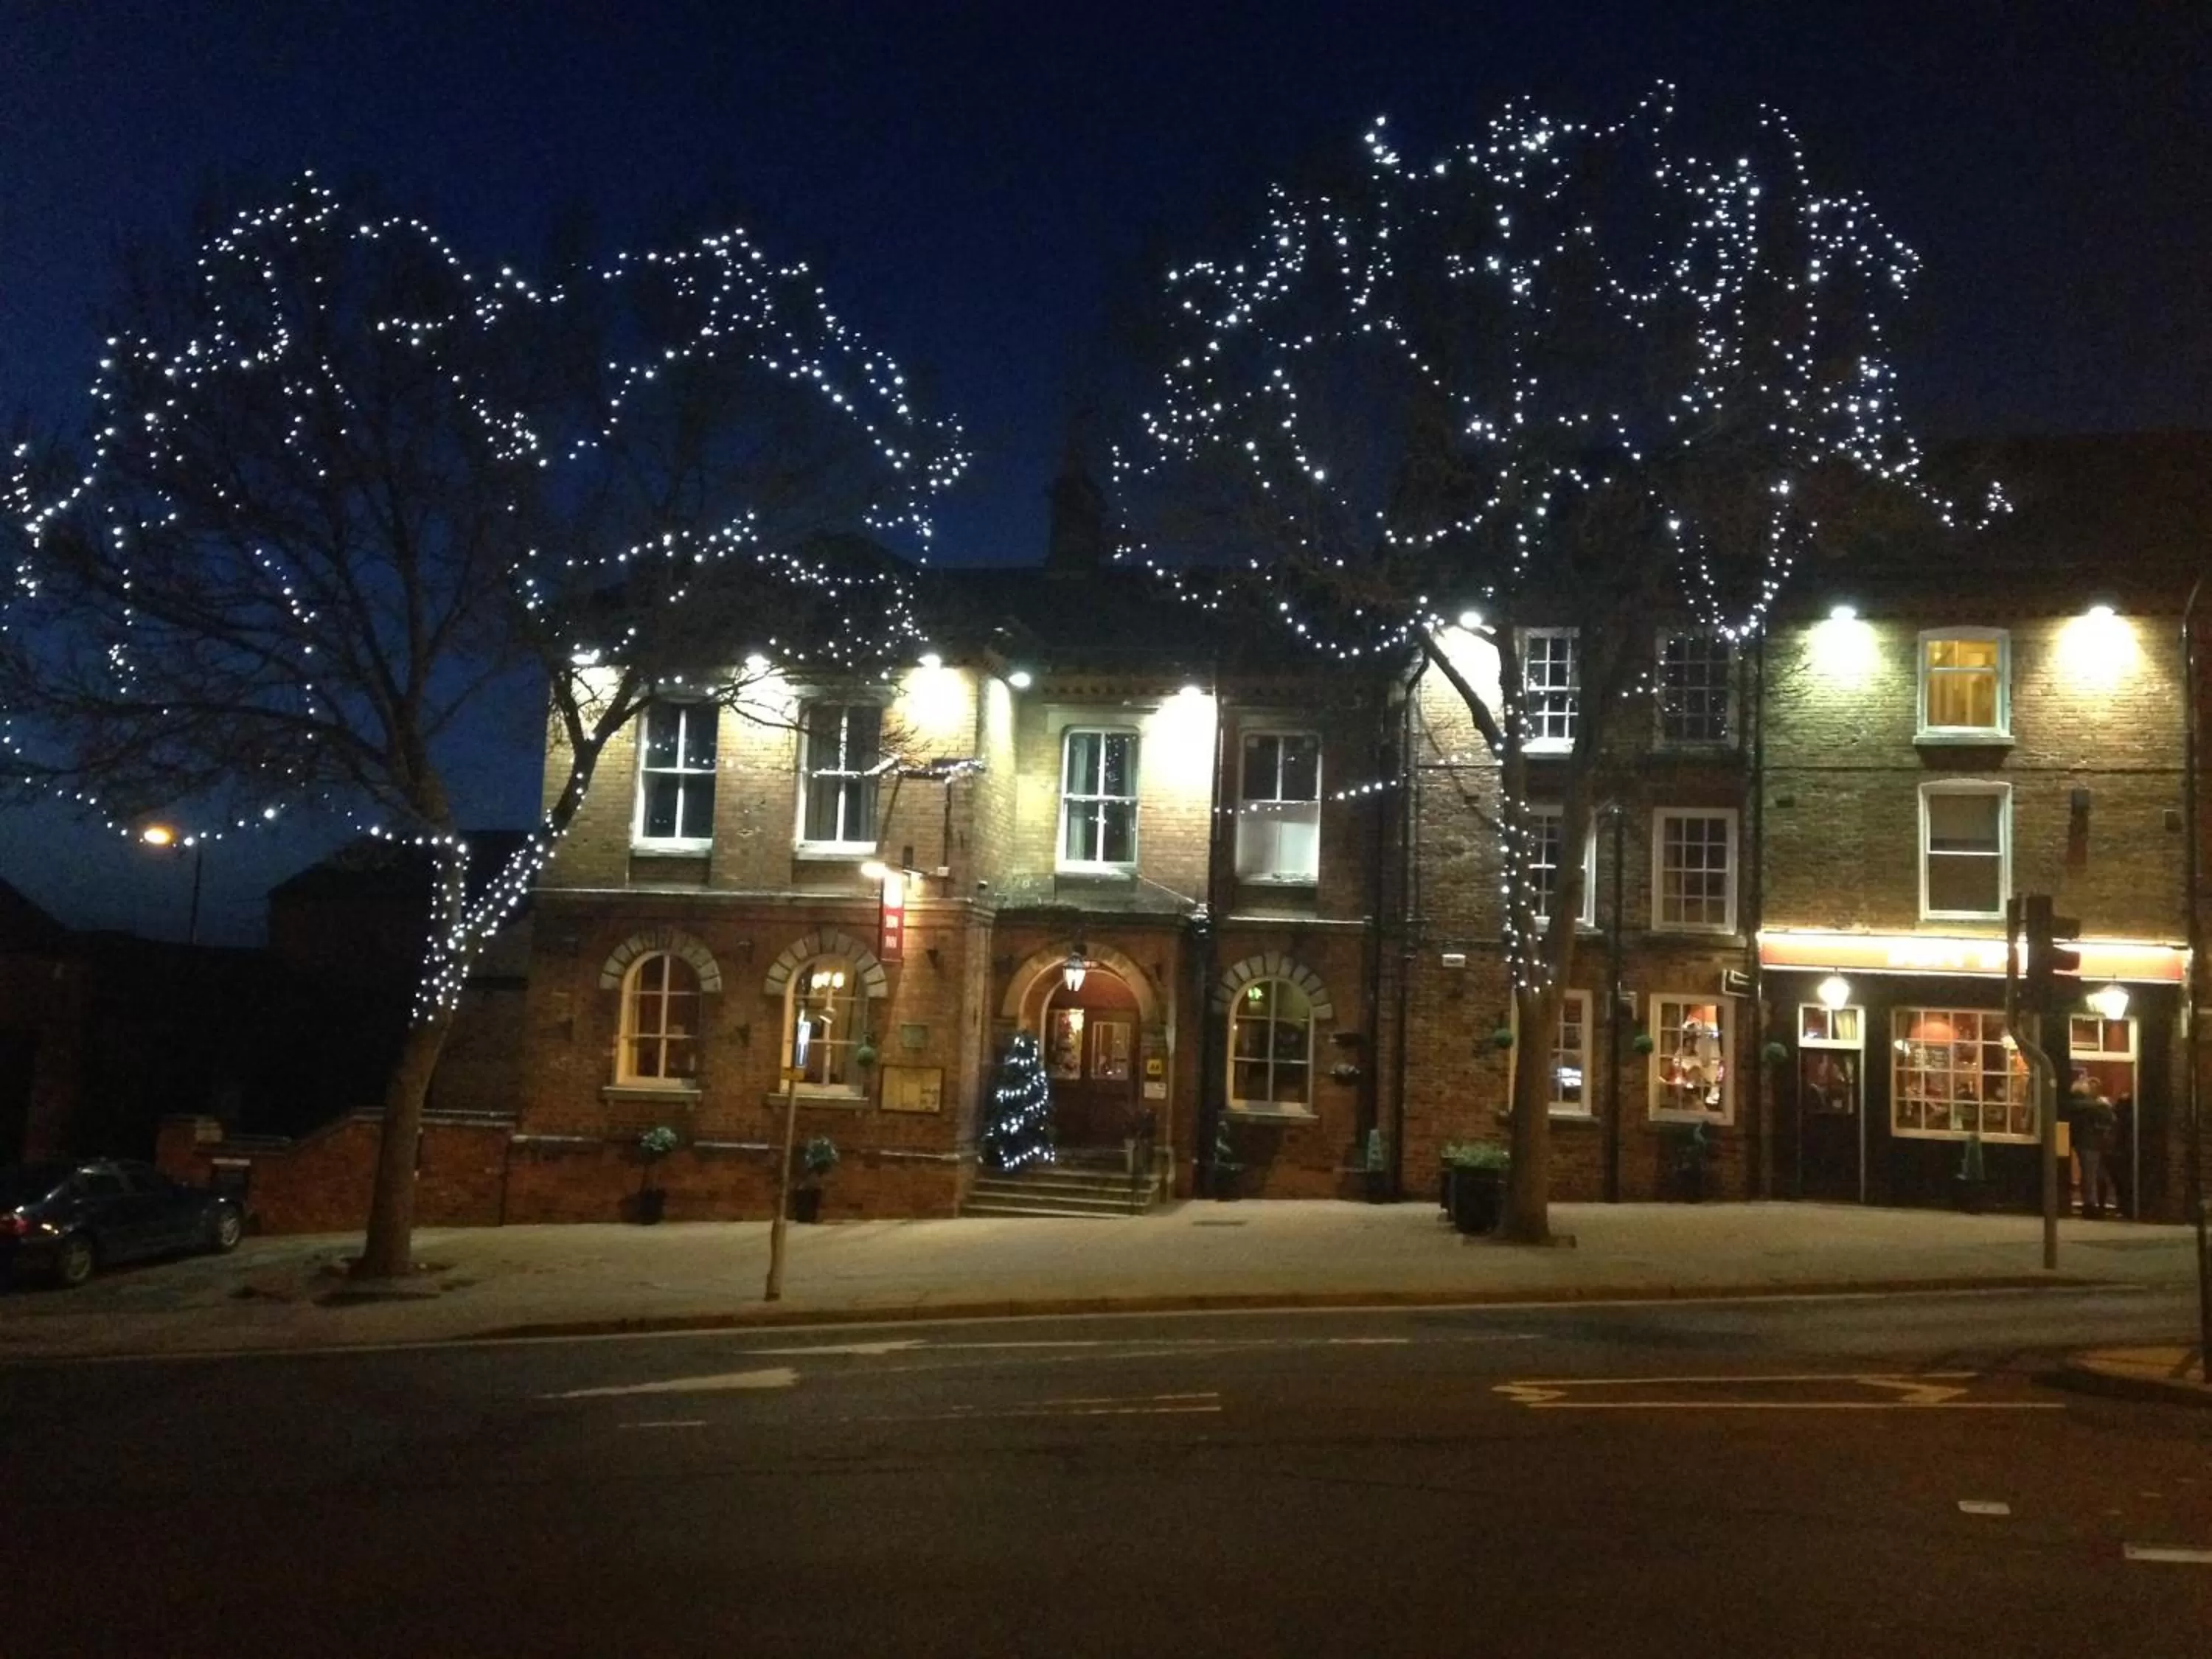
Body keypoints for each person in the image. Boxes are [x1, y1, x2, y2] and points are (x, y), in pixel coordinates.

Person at [2074, 1082, 2118, 1219]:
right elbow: (2112, 1119)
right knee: (2093, 1175)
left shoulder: (2079, 1105)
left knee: (2089, 1175)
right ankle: (2093, 1206)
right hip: (2094, 1144)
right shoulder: (2095, 1106)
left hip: (2084, 1144)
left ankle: (2091, 1204)